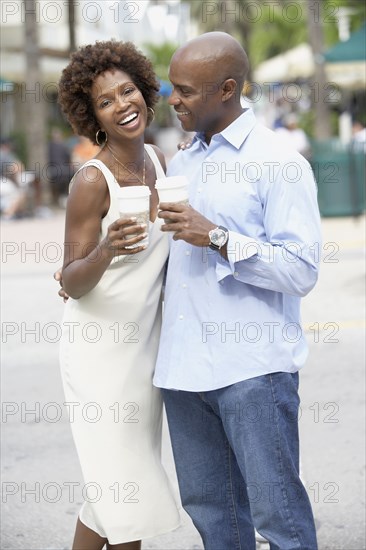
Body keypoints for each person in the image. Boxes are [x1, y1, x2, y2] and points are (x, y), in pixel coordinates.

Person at [153, 32, 321, 549]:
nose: (172, 99)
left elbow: (301, 270)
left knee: (280, 522)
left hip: (252, 372)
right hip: (184, 374)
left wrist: (220, 239)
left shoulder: (280, 162)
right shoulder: (182, 161)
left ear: (227, 89)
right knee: (215, 521)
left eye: (184, 90)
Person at [57, 40, 180, 550]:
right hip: (100, 356)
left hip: (144, 352)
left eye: (127, 90)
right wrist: (106, 249)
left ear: (145, 92)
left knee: (108, 495)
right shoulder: (92, 180)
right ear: (93, 117)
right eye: (105, 101)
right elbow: (70, 279)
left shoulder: (159, 159)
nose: (122, 104)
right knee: (125, 492)